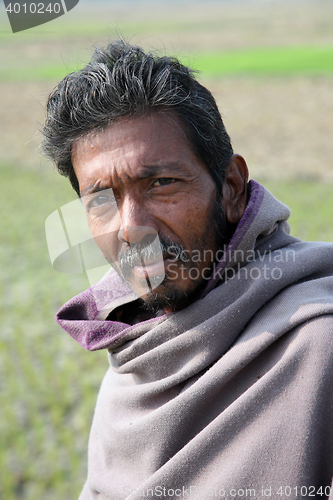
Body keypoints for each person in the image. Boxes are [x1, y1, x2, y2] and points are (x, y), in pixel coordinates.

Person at [42, 40, 333, 500]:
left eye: (161, 183)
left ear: (232, 188)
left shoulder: (318, 349)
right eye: (100, 200)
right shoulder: (133, 355)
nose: (132, 228)